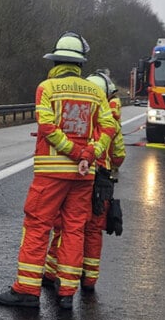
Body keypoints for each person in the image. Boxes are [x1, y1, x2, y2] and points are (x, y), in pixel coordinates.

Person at [0, 33, 118, 310]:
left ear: (56, 60)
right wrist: (90, 153)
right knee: (74, 230)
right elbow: (109, 128)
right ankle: (66, 293)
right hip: (84, 175)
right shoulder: (97, 92)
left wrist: (74, 152)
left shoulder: (46, 88)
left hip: (50, 174)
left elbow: (47, 127)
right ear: (79, 64)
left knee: (38, 227)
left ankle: (27, 289)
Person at [42, 72, 126, 292]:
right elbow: (119, 155)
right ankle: (88, 280)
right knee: (93, 230)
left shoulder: (80, 119)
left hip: (79, 175)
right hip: (102, 181)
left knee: (67, 226)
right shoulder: (112, 124)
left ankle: (51, 273)